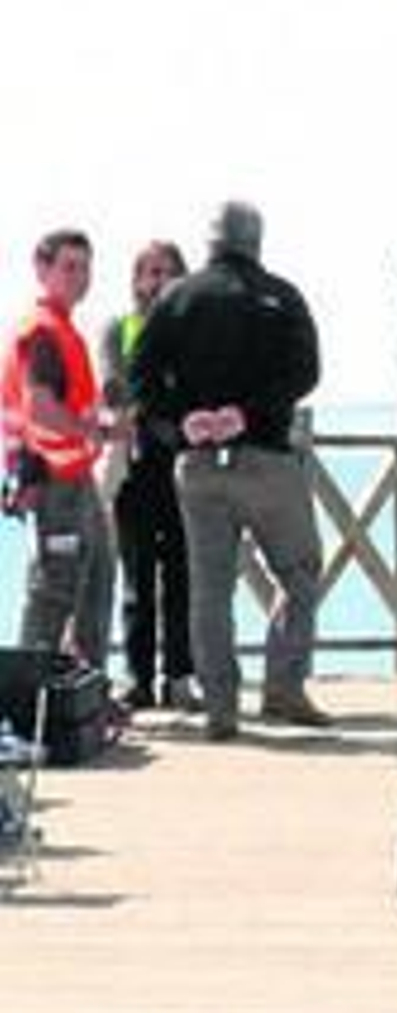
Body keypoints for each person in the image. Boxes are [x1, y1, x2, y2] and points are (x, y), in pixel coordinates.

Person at [128, 201, 329, 737]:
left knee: (209, 588)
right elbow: (306, 371)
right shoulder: (282, 296)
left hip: (197, 463)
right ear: (256, 241)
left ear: (211, 241)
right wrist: (249, 413)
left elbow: (139, 376)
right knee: (300, 571)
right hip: (267, 457)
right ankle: (283, 686)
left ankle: (221, 708)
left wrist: (181, 421)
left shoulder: (175, 296)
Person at [0, 229, 116, 670]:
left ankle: (82, 697)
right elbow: (41, 406)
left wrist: (97, 427)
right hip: (51, 479)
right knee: (53, 597)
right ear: (41, 269)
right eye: (69, 266)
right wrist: (90, 430)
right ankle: (26, 706)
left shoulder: (64, 329)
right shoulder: (42, 330)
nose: (80, 277)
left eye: (85, 267)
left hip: (74, 477)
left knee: (95, 585)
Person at [97, 241, 200, 711]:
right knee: (137, 577)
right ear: (136, 280)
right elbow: (113, 388)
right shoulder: (119, 328)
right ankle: (139, 678)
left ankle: (180, 675)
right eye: (150, 272)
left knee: (184, 575)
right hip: (135, 463)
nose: (158, 281)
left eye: (168, 271)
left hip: (182, 462)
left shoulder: (195, 327)